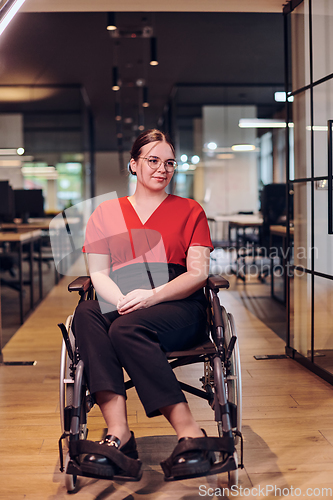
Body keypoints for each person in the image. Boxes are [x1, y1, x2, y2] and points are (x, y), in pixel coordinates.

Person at [71, 129, 214, 481]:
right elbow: (98, 273)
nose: (162, 168)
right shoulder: (106, 212)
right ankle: (118, 433)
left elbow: (198, 274)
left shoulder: (190, 210)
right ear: (134, 165)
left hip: (177, 301)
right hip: (123, 295)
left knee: (127, 326)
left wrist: (151, 296)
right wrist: (118, 299)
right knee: (87, 312)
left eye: (169, 163)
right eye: (153, 160)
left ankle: (190, 431)